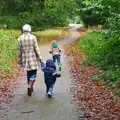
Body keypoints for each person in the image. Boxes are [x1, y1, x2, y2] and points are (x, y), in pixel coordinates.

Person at [18, 24, 42, 96]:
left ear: (23, 30)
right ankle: (30, 85)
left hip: (25, 58)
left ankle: (30, 85)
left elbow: (19, 50)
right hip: (33, 57)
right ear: (29, 30)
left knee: (28, 72)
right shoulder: (33, 37)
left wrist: (19, 58)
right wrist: (40, 57)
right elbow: (36, 48)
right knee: (34, 72)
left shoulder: (20, 38)